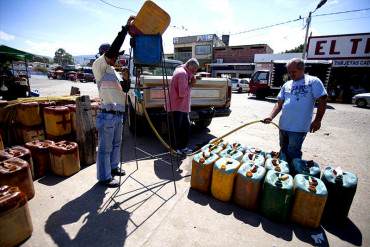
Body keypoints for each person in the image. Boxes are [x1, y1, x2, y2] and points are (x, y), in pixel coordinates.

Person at [92, 16, 135, 187]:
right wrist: (125, 29)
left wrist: (126, 80)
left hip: (118, 114)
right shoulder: (99, 66)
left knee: (117, 144)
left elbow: (124, 91)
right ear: (106, 55)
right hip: (108, 115)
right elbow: (114, 48)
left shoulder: (114, 71)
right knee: (105, 148)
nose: (117, 57)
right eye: (115, 55)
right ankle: (104, 177)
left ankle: (113, 168)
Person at [263, 58, 327, 163]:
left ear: (302, 69)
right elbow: (279, 103)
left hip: (299, 128)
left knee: (293, 152)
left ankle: (294, 173)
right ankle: (284, 171)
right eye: (289, 72)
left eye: (293, 72)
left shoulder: (313, 81)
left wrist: (317, 120)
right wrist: (271, 116)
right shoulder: (287, 84)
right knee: (283, 149)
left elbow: (323, 100)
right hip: (283, 126)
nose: (291, 75)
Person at [165, 58, 199, 155]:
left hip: (180, 107)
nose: (195, 71)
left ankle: (181, 148)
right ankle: (174, 150)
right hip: (177, 107)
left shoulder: (182, 71)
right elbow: (182, 93)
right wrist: (191, 84)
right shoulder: (182, 74)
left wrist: (191, 77)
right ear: (189, 66)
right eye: (194, 69)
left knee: (185, 128)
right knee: (176, 129)